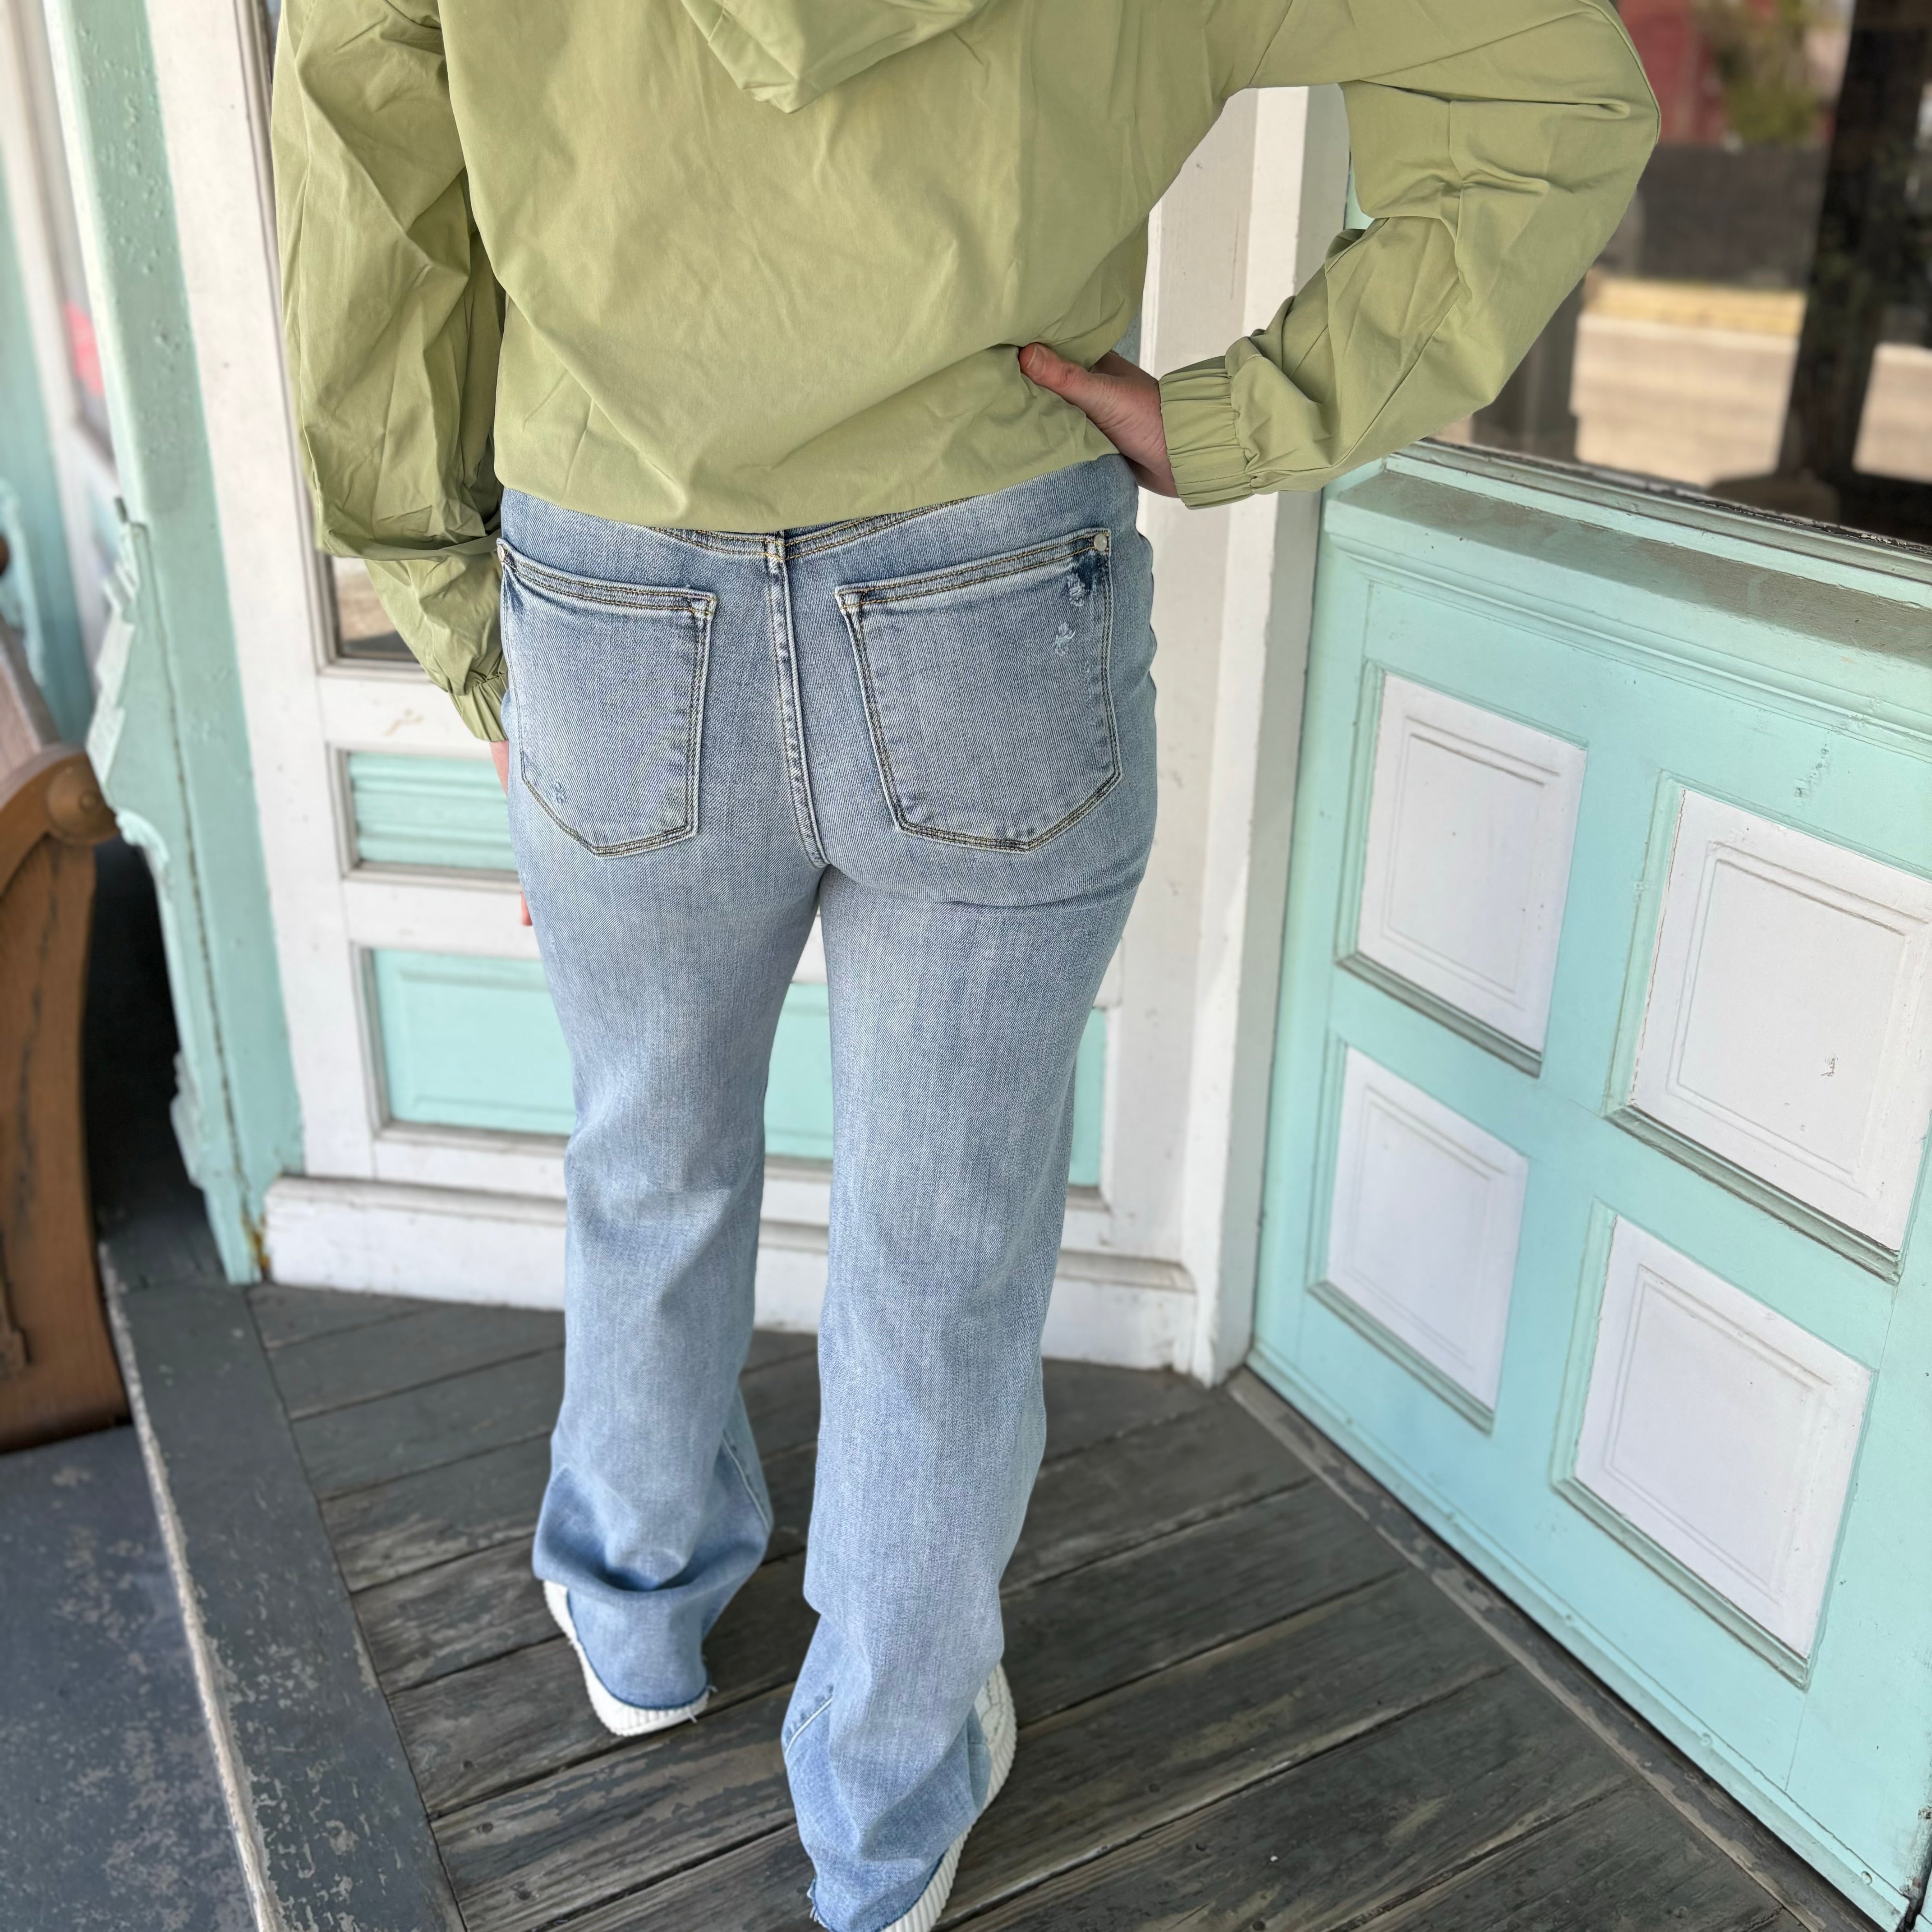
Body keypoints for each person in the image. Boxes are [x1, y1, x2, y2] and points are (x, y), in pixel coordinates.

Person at [271, 3, 1655, 1925]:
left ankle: (639, 1608)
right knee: (947, 1247)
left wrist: (450, 595)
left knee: (645, 1142)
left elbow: (365, 186)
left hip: (614, 586)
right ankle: (885, 1804)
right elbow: (1552, 91)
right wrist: (1238, 415)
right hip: (994, 586)